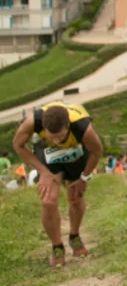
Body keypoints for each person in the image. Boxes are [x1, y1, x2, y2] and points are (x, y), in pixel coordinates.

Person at [11, 102, 103, 267]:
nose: (56, 140)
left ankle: (74, 236)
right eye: (51, 136)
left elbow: (97, 152)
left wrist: (84, 178)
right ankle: (57, 246)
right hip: (48, 154)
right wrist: (43, 172)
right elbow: (17, 144)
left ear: (67, 126)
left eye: (60, 136)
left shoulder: (82, 127)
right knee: (48, 201)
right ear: (43, 127)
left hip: (76, 150)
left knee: (75, 197)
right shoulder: (33, 121)